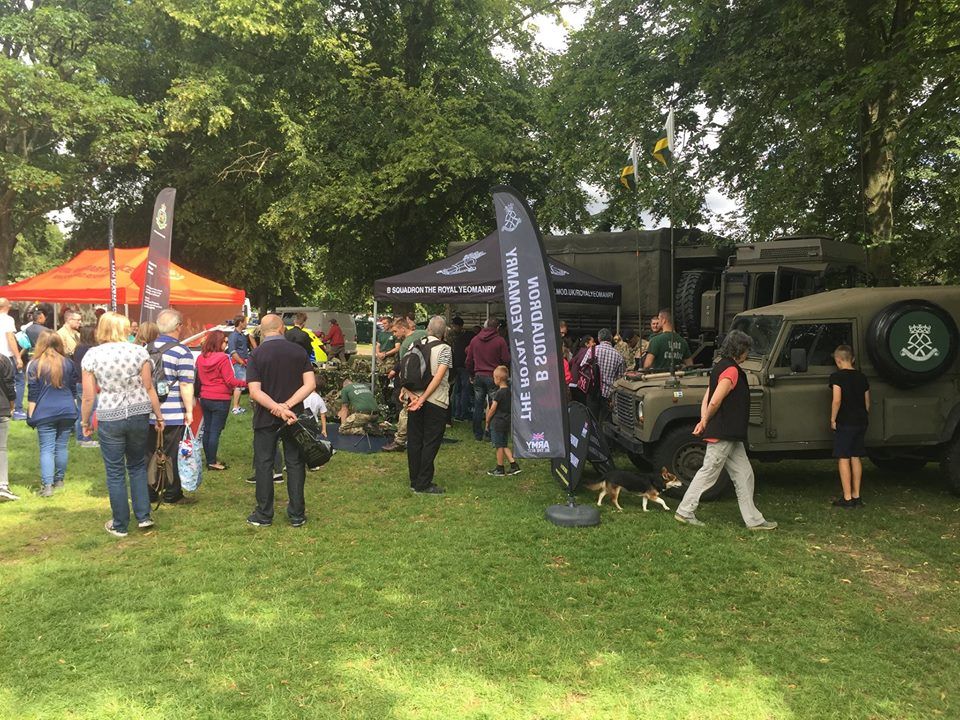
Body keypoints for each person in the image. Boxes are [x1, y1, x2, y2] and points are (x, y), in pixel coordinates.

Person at [674, 330, 777, 530]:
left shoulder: (719, 367)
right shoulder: (731, 370)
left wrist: (703, 420)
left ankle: (754, 520)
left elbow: (708, 397)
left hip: (730, 435)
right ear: (740, 350)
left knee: (744, 474)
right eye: (746, 350)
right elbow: (715, 400)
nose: (747, 354)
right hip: (723, 433)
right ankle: (685, 511)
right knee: (709, 473)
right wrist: (705, 420)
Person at [81, 312, 165, 537]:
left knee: (115, 471)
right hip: (139, 412)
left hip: (110, 414)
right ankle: (143, 516)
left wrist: (84, 421)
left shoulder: (93, 355)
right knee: (137, 465)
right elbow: (149, 387)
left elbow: (88, 396)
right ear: (126, 328)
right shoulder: (139, 351)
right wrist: (159, 415)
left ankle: (120, 524)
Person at [246, 313, 316, 527]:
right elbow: (310, 384)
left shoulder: (257, 354)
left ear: (262, 331)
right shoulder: (298, 352)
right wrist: (287, 406)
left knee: (264, 464)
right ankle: (297, 514)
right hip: (294, 417)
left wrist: (277, 407)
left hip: (266, 416)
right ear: (282, 329)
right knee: (295, 463)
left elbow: (254, 392)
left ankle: (264, 513)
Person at [146, 309, 196, 505]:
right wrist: (190, 411)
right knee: (172, 453)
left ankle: (150, 490)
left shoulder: (146, 348)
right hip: (173, 411)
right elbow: (185, 383)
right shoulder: (182, 351)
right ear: (178, 327)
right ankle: (172, 493)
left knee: (150, 452)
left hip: (149, 410)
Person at [404, 315, 451, 494]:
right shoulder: (445, 349)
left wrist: (411, 395)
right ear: (443, 332)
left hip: (413, 399)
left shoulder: (414, 344)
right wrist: (423, 399)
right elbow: (438, 378)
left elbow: (404, 371)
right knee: (430, 441)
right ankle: (424, 483)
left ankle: (414, 479)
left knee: (415, 440)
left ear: (428, 329)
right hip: (435, 401)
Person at [27, 333, 78, 497]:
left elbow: (33, 394)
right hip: (67, 409)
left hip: (45, 411)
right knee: (62, 446)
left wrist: (30, 415)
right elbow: (73, 389)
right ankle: (59, 480)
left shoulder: (35, 365)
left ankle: (47, 486)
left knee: (47, 449)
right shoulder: (68, 363)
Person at [196, 329, 247, 470]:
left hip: (205, 397)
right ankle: (212, 462)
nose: (226, 344)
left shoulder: (201, 358)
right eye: (225, 341)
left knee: (208, 429)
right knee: (215, 431)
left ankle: (209, 459)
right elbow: (230, 381)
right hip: (220, 398)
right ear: (219, 342)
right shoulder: (223, 358)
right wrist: (247, 383)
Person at [829, 344, 870, 509]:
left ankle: (846, 498)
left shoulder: (837, 377)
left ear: (838, 361)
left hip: (845, 421)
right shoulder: (862, 377)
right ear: (852, 359)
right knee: (856, 456)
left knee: (843, 457)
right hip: (861, 421)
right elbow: (867, 403)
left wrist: (833, 419)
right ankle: (857, 496)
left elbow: (837, 400)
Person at [381, 318, 426, 453]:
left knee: (405, 412)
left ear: (403, 328)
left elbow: (405, 369)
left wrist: (403, 388)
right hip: (428, 379)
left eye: (395, 331)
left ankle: (399, 441)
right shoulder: (424, 334)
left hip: (413, 383)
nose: (394, 334)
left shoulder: (405, 345)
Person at [466, 318, 510, 441]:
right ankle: (490, 432)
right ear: (497, 328)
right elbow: (506, 359)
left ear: (484, 326)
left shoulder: (475, 340)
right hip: (494, 376)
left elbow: (468, 360)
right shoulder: (500, 341)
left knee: (478, 405)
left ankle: (477, 433)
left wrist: (471, 374)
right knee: (493, 405)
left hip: (478, 376)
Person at [581, 329, 624, 421]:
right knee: (605, 422)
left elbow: (582, 366)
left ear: (599, 338)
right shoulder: (618, 355)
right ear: (611, 339)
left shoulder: (592, 350)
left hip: (592, 391)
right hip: (609, 394)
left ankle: (593, 435)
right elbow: (620, 377)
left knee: (592, 420)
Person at [485, 365, 520, 476]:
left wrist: (487, 420)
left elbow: (493, 408)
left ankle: (500, 468)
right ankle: (514, 465)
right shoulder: (509, 392)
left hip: (497, 422)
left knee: (498, 446)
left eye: (494, 377)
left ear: (498, 379)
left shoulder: (499, 393)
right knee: (504, 444)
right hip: (506, 421)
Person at [72, 324, 99, 447]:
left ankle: (79, 437)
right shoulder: (91, 350)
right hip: (86, 383)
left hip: (78, 382)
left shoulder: (78, 348)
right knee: (91, 409)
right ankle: (86, 437)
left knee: (80, 411)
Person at [0, 298, 24, 422]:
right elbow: (10, 338)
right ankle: (17, 409)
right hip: (5, 356)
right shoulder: (8, 320)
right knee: (17, 381)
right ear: (7, 306)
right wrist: (18, 357)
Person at [449, 317, 475, 422]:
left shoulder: (457, 336)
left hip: (458, 365)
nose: (453, 327)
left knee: (459, 390)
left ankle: (457, 413)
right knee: (463, 390)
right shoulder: (467, 336)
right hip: (462, 366)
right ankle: (461, 414)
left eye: (455, 325)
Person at [0, 350, 16, 500]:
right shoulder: (3, 360)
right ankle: (2, 484)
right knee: (2, 448)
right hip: (2, 407)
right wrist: (12, 405)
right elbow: (9, 385)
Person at [228, 315, 251, 415]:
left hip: (243, 362)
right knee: (239, 384)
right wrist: (241, 362)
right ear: (240, 322)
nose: (246, 323)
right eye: (245, 322)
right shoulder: (233, 336)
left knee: (242, 385)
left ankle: (238, 406)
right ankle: (235, 407)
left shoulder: (241, 335)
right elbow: (232, 351)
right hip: (238, 363)